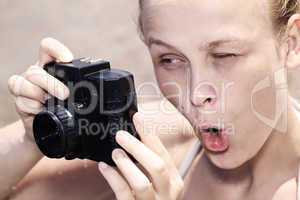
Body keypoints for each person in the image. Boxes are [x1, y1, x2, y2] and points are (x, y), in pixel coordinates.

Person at [2, 0, 300, 199]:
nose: (195, 92)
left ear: (291, 43)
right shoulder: (154, 140)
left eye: (224, 55)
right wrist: (31, 142)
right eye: (169, 59)